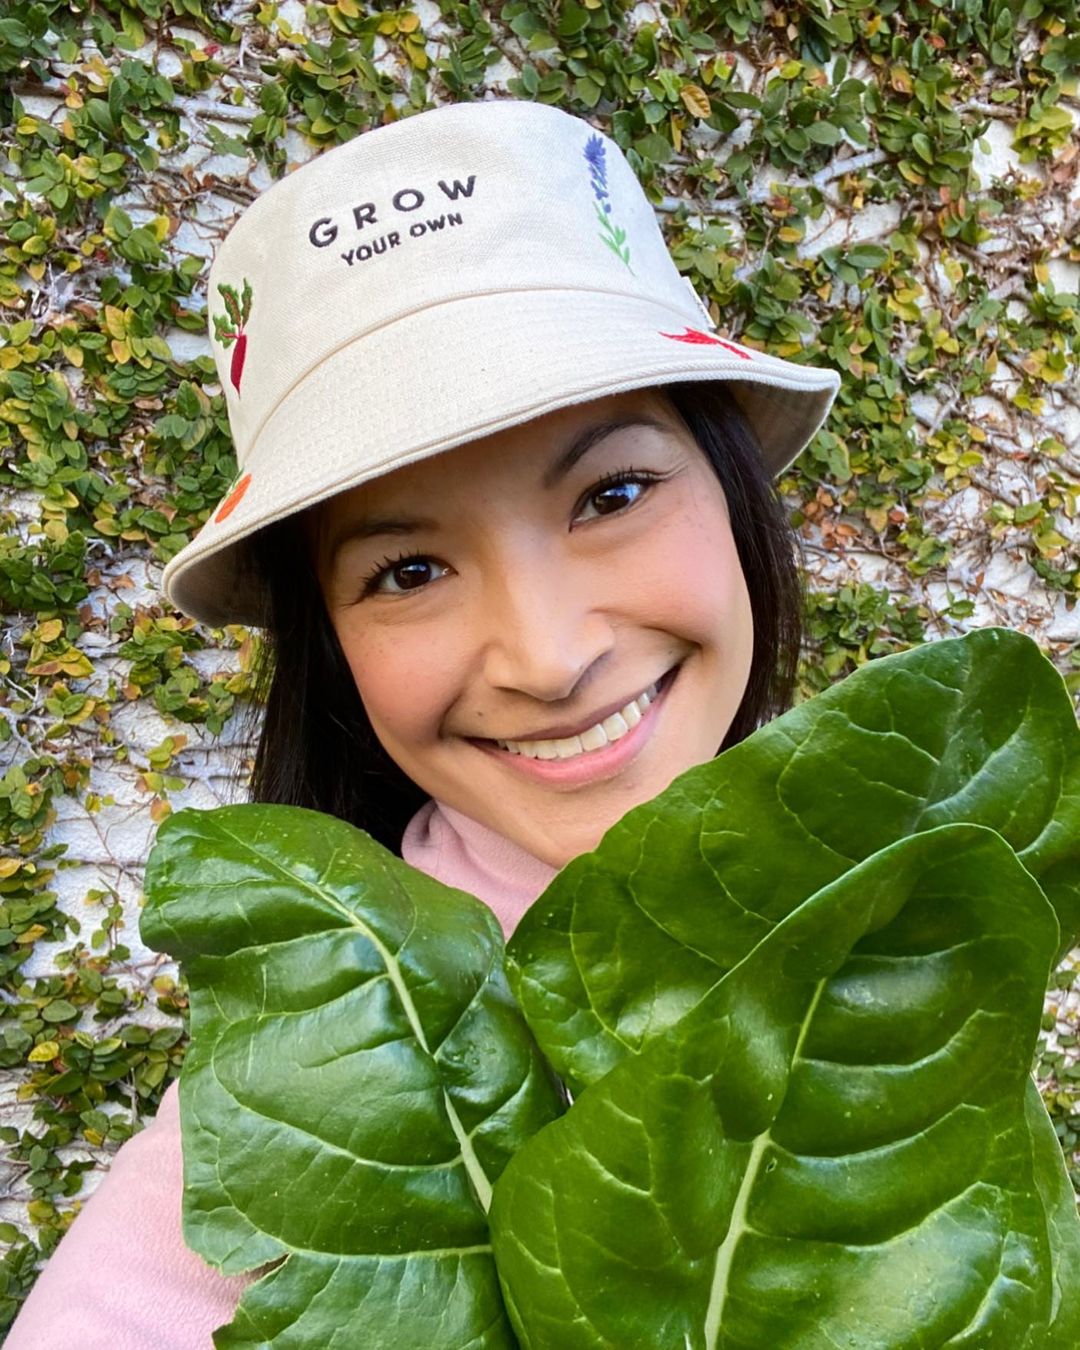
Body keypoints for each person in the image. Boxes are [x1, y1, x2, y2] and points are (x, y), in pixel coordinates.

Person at [7, 95, 840, 1347]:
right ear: (332, 647)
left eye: (613, 493)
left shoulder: (888, 883)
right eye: (407, 571)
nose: (549, 659)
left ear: (730, 489)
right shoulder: (333, 1057)